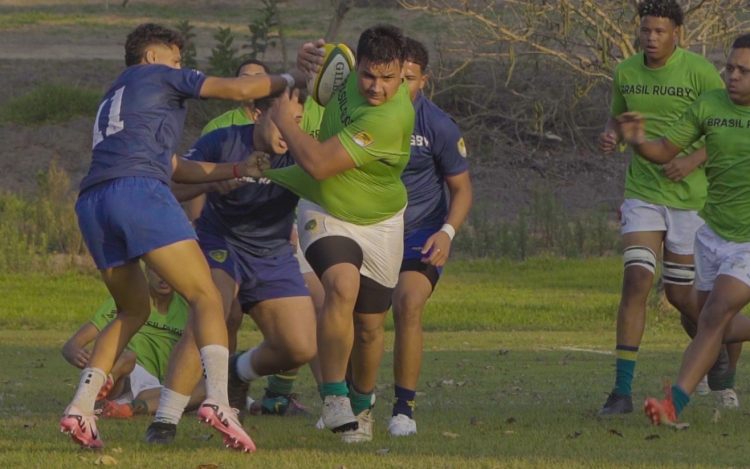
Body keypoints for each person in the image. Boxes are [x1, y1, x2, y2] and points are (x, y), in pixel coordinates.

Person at [59, 22, 305, 452]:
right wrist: (291, 80)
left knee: (130, 311)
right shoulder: (155, 74)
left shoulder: (118, 95)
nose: (181, 68)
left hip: (94, 201)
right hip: (137, 191)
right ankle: (219, 402)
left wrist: (237, 169)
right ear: (153, 57)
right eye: (176, 59)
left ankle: (80, 408)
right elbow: (232, 89)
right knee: (208, 296)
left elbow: (173, 167)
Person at [265, 24, 415, 442]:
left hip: (381, 220)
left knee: (369, 327)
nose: (376, 87)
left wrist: (284, 121)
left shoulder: (390, 117)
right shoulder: (344, 62)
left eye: (388, 78)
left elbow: (316, 160)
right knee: (341, 285)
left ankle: (362, 405)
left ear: (403, 71)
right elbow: (313, 74)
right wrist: (302, 66)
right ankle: (334, 397)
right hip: (324, 205)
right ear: (358, 62)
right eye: (368, 75)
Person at [148, 90, 317, 444]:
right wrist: (211, 183)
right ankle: (165, 421)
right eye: (283, 119)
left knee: (300, 347)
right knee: (212, 310)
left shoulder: (302, 152)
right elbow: (171, 186)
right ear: (258, 114)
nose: (290, 130)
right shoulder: (222, 141)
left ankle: (239, 371)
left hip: (272, 253)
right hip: (221, 242)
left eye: (298, 122)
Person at [596, 0, 737, 416]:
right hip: (643, 192)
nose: (651, 38)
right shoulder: (626, 71)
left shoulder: (699, 72)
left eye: (660, 31)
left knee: (683, 298)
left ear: (677, 33)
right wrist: (611, 136)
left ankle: (720, 362)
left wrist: (693, 160)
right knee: (637, 277)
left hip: (692, 200)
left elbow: (725, 125)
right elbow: (617, 120)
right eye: (646, 30)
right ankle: (621, 391)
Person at [387, 37, 472, 436]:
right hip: (370, 230)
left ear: (424, 80)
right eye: (394, 77)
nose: (400, 86)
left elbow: (462, 188)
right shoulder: (360, 114)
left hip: (421, 233)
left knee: (407, 303)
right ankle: (351, 399)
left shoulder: (437, 124)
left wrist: (447, 232)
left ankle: (404, 409)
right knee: (355, 312)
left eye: (409, 79)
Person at [62, 267, 204, 419]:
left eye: (168, 271)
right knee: (127, 357)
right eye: (157, 271)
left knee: (203, 389)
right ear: (146, 271)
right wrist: (74, 352)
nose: (164, 278)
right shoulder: (129, 301)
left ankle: (130, 408)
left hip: (154, 388)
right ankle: (92, 396)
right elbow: (72, 345)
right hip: (126, 376)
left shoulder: (189, 309)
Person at [200, 59, 270, 136]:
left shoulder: (281, 122)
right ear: (235, 86)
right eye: (245, 78)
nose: (251, 83)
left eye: (258, 77)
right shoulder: (217, 127)